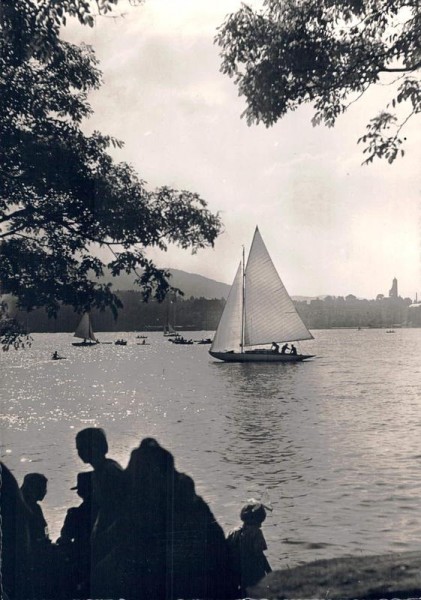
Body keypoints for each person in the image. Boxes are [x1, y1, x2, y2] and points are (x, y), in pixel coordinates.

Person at [75, 428, 127, 564]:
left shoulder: (109, 471)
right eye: (78, 449)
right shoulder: (100, 471)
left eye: (82, 447)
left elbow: (120, 507)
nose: (79, 453)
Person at [56, 472, 98, 598]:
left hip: (82, 558)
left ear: (80, 493)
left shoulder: (76, 513)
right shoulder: (105, 509)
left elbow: (66, 536)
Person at [227, 500, 272, 596]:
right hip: (253, 575)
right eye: (260, 521)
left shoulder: (233, 532)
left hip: (238, 575)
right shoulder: (256, 533)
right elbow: (260, 556)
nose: (261, 525)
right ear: (257, 520)